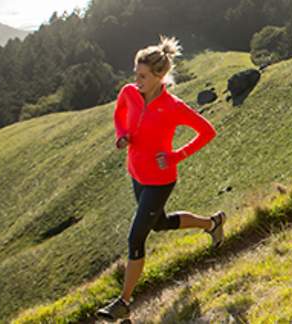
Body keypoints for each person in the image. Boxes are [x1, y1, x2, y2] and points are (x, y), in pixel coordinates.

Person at [96, 35, 226, 321]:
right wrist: (121, 136)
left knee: (136, 237)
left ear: (160, 75)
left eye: (142, 76)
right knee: (161, 224)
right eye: (136, 74)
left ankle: (124, 302)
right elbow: (119, 113)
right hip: (137, 175)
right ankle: (213, 223)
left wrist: (176, 155)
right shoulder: (129, 93)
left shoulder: (174, 107)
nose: (136, 80)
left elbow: (207, 132)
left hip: (160, 180)